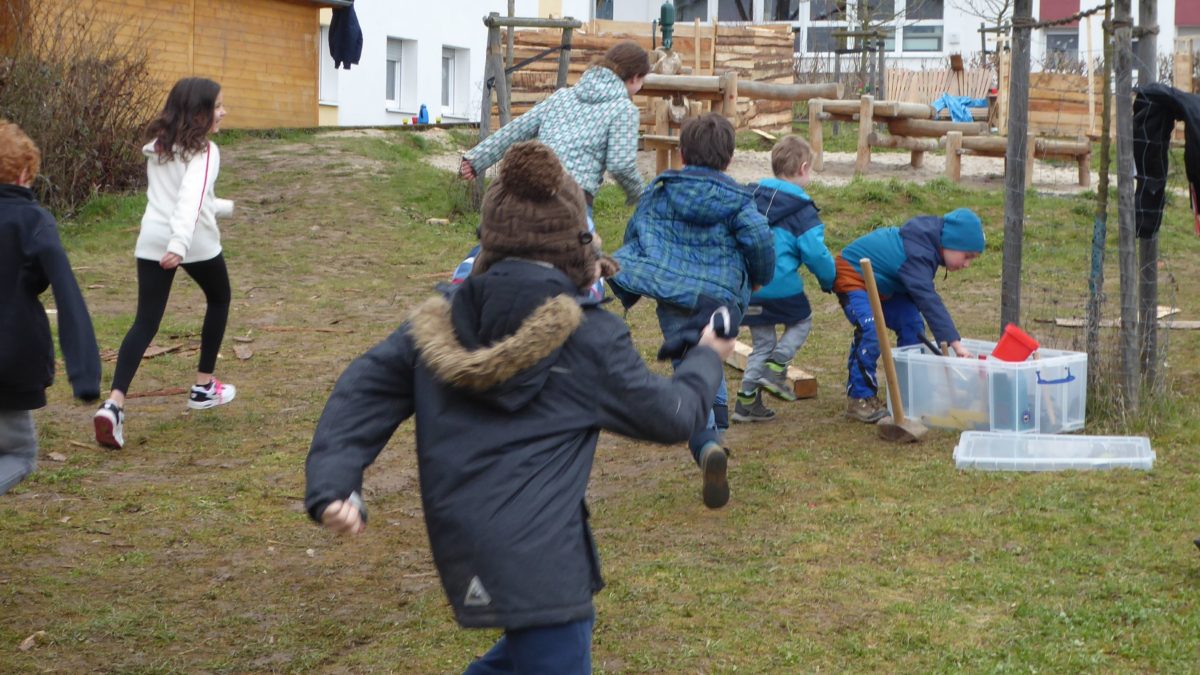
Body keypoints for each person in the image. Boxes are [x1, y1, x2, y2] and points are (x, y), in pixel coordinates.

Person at [305, 141, 734, 674]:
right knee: (556, 648)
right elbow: (673, 415)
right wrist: (706, 356)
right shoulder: (589, 337)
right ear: (575, 240)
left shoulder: (439, 321)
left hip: (470, 541)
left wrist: (334, 480)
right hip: (542, 560)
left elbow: (362, 389)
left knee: (537, 651)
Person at [608, 112, 775, 506]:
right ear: (729, 159)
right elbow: (759, 240)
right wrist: (760, 277)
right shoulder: (738, 200)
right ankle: (713, 437)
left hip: (673, 297)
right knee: (710, 356)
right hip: (721, 297)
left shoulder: (659, 192)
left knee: (691, 363)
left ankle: (707, 443)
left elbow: (636, 232)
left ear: (681, 154)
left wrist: (634, 273)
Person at [93, 77, 236, 449]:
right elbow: (189, 199)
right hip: (191, 240)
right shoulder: (206, 151)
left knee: (145, 322)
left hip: (153, 238)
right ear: (200, 113)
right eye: (218, 106)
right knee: (220, 297)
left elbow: (179, 195)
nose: (224, 112)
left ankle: (114, 405)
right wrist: (180, 243)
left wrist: (223, 207)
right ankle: (203, 387)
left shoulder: (159, 147)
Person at [455, 41, 651, 298]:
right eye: (642, 81)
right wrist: (640, 194)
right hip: (572, 201)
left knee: (501, 246)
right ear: (634, 77)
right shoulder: (624, 109)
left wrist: (476, 159)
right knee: (582, 265)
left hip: (529, 190)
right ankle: (577, 304)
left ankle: (463, 284)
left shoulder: (562, 97)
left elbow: (517, 129)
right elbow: (621, 164)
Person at [0, 120, 101, 494]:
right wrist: (85, 373)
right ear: (23, 174)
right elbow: (67, 291)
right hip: (10, 361)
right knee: (19, 454)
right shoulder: (33, 220)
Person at [834, 208, 985, 423]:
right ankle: (859, 398)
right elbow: (928, 300)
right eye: (966, 256)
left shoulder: (930, 246)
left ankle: (910, 391)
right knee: (872, 330)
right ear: (951, 242)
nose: (967, 264)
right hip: (853, 276)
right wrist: (956, 344)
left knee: (912, 324)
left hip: (883, 286)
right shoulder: (919, 253)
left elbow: (918, 294)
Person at [733, 135, 835, 423]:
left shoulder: (750, 198)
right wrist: (829, 280)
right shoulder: (802, 211)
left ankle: (746, 403)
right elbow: (816, 254)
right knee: (802, 320)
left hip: (751, 289)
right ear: (803, 168)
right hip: (782, 289)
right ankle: (777, 368)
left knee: (763, 343)